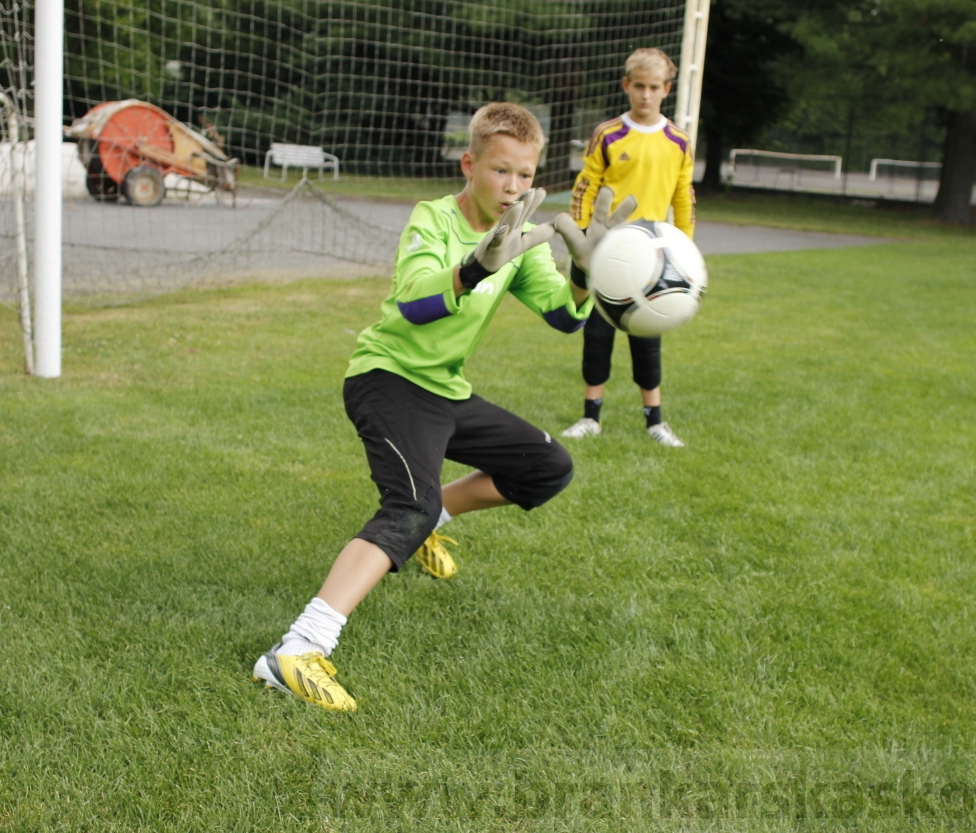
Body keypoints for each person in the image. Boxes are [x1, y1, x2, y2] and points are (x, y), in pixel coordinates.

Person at [252, 102, 635, 711]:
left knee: (547, 467)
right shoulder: (432, 219)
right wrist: (473, 268)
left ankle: (430, 527)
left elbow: (564, 317)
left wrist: (586, 274)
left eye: (525, 174)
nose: (513, 187)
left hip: (445, 389)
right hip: (388, 379)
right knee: (409, 504)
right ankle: (296, 651)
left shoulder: (523, 231)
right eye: (500, 171)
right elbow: (414, 303)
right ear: (470, 164)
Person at [561, 47, 696, 448]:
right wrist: (583, 237)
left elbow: (683, 196)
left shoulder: (678, 140)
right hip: (607, 252)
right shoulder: (607, 134)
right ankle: (590, 417)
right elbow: (585, 187)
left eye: (654, 87)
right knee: (598, 333)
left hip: (654, 258)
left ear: (666, 89)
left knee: (646, 336)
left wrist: (685, 248)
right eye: (639, 86)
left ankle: (655, 421)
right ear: (626, 86)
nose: (646, 94)